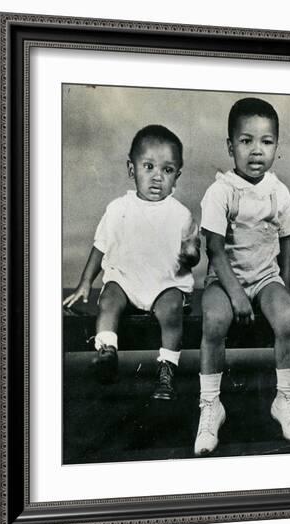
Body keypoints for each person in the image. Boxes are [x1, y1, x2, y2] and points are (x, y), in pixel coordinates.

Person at [194, 97, 290, 456]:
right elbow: (214, 249)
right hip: (224, 281)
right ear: (231, 146)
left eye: (266, 141)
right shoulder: (221, 191)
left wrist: (285, 290)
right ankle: (211, 405)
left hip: (264, 278)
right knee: (214, 320)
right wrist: (236, 295)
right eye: (246, 141)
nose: (256, 151)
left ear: (276, 145)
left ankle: (284, 399)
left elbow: (286, 241)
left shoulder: (278, 191)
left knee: (287, 317)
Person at [63, 124, 200, 400]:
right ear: (131, 169)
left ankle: (166, 371)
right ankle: (107, 351)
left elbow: (192, 256)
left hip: (164, 284)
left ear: (177, 177)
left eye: (167, 170)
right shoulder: (118, 209)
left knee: (173, 307)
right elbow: (100, 247)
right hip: (127, 281)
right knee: (109, 298)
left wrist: (192, 253)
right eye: (148, 166)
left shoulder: (181, 214)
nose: (157, 177)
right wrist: (84, 284)